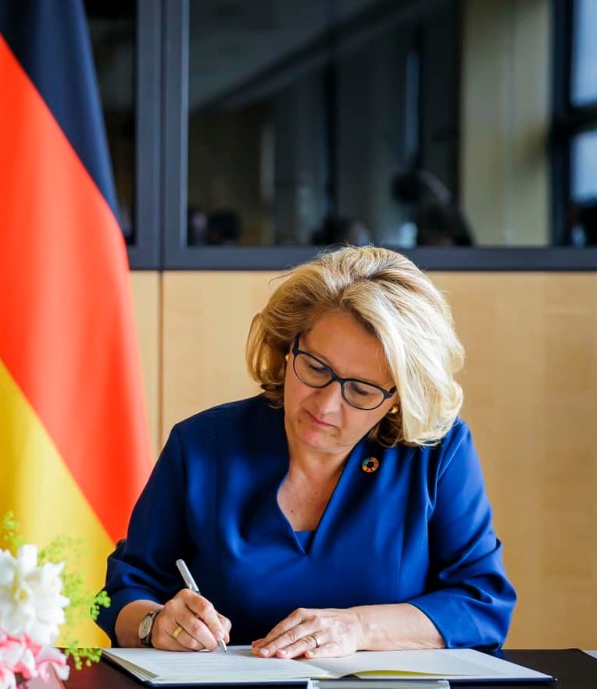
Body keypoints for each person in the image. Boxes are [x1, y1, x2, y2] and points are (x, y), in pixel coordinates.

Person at [99, 245, 515, 657]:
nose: (326, 405)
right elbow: (127, 589)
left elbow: (482, 603)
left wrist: (358, 628)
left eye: (361, 391)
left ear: (398, 399)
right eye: (316, 368)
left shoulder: (436, 453)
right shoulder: (203, 444)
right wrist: (155, 623)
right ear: (288, 348)